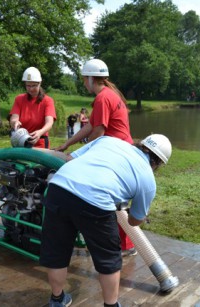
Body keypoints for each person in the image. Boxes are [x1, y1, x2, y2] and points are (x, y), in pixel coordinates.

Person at [40, 134, 172, 307]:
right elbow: (133, 222)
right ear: (158, 163)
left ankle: (57, 300)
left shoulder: (108, 140)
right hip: (96, 203)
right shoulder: (148, 179)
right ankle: (111, 305)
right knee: (108, 259)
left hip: (58, 189)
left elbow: (70, 158)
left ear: (141, 144)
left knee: (56, 252)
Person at [54, 59, 136, 257]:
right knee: (116, 200)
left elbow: (98, 131)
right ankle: (122, 245)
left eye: (84, 80)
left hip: (116, 153)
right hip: (121, 151)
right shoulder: (109, 95)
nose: (84, 83)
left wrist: (84, 156)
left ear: (91, 78)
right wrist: (68, 144)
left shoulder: (102, 98)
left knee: (115, 202)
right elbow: (92, 126)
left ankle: (122, 247)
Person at [9, 67, 57, 148]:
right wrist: (14, 122)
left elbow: (49, 123)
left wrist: (40, 132)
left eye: (34, 85)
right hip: (21, 141)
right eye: (28, 86)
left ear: (40, 83)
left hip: (40, 142)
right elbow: (14, 118)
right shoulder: (19, 99)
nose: (31, 89)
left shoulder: (48, 101)